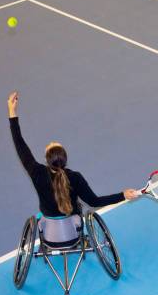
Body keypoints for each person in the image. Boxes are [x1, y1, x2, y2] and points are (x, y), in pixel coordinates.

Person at [7, 91, 139, 242]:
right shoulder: (75, 177)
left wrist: (12, 111)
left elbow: (19, 144)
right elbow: (95, 202)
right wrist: (123, 195)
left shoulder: (36, 172)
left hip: (50, 236)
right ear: (65, 159)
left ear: (46, 159)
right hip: (73, 234)